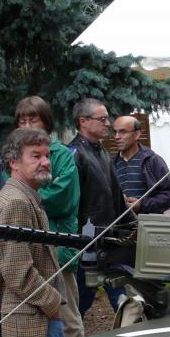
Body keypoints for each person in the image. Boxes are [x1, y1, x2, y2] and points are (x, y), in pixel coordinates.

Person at [0, 128, 77, 337]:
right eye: (36, 156)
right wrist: (53, 304)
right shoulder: (16, 203)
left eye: (47, 156)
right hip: (28, 323)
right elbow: (18, 272)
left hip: (35, 317)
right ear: (13, 163)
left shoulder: (26, 197)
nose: (45, 162)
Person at [12, 97, 84, 337]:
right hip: (27, 249)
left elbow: (63, 197)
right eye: (22, 120)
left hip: (58, 247)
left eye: (33, 119)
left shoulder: (62, 155)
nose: (27, 125)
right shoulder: (14, 156)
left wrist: (26, 199)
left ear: (46, 122)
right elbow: (8, 188)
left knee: (67, 317)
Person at [67, 98, 126, 317]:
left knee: (124, 300)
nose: (108, 123)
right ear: (83, 121)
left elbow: (116, 197)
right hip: (86, 243)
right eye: (102, 119)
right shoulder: (73, 154)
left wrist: (130, 228)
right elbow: (71, 205)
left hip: (109, 241)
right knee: (79, 303)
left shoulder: (102, 153)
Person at [111, 115, 170, 215]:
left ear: (137, 134)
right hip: (117, 227)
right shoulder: (111, 164)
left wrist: (142, 204)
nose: (116, 137)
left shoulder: (152, 161)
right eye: (115, 132)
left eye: (123, 132)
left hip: (148, 226)